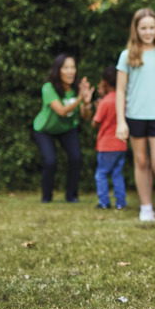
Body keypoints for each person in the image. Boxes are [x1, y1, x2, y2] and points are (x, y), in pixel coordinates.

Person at [115, 8, 155, 222]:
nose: (148, 32)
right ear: (136, 29)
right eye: (143, 28)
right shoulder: (127, 55)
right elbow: (121, 90)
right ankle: (145, 207)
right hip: (135, 116)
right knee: (141, 162)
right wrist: (121, 121)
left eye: (151, 27)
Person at [32, 53, 94, 203]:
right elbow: (61, 111)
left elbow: (86, 117)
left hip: (67, 128)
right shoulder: (48, 88)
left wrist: (86, 102)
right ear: (58, 70)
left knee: (76, 158)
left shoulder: (77, 88)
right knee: (50, 161)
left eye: (72, 67)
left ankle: (71, 195)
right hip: (45, 129)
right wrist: (80, 98)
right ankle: (46, 197)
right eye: (65, 67)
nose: (70, 71)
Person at [92, 65, 128, 210]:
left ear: (105, 82)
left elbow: (95, 123)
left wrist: (97, 106)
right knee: (117, 173)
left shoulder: (105, 102)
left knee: (101, 174)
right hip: (121, 143)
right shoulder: (123, 100)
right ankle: (120, 203)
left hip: (106, 145)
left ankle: (104, 202)